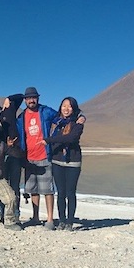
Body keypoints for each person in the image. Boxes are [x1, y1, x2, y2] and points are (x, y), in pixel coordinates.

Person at [16, 87, 85, 230]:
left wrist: (80, 116)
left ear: (38, 98)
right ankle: (35, 218)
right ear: (25, 100)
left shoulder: (45, 111)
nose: (31, 100)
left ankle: (49, 220)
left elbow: (61, 118)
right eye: (28, 98)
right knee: (33, 189)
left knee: (48, 189)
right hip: (29, 157)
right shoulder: (22, 116)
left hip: (45, 155)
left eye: (34, 97)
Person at [44, 97, 84, 231]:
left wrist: (49, 140)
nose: (66, 109)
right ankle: (61, 220)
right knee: (60, 193)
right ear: (60, 107)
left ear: (74, 108)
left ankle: (70, 221)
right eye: (64, 106)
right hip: (57, 161)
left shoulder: (78, 123)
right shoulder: (56, 122)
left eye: (69, 106)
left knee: (70, 192)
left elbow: (71, 138)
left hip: (73, 161)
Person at [0, 93, 24, 222]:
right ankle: (3, 214)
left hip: (14, 154)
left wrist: (9, 99)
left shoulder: (8, 110)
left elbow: (21, 97)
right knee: (2, 186)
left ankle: (15, 214)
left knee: (15, 186)